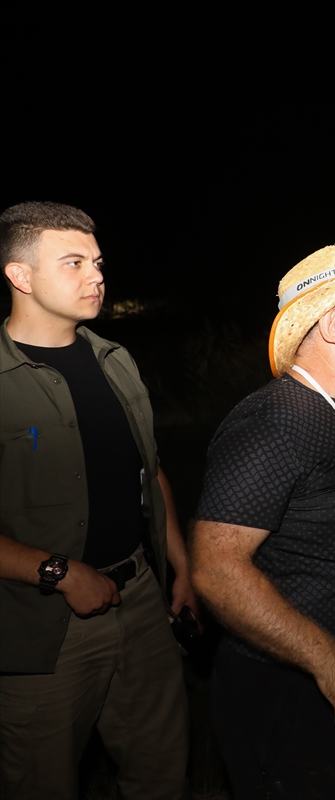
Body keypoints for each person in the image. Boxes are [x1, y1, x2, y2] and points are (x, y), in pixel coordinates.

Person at [190, 245, 335, 798]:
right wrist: (329, 663)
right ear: (334, 325)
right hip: (298, 692)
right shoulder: (277, 420)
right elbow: (215, 569)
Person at [0, 201, 195, 799]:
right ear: (21, 276)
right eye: (74, 262)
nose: (97, 276)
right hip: (41, 627)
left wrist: (182, 568)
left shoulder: (115, 359)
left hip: (139, 598)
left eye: (99, 261)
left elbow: (149, 469)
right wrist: (56, 572)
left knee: (161, 769)